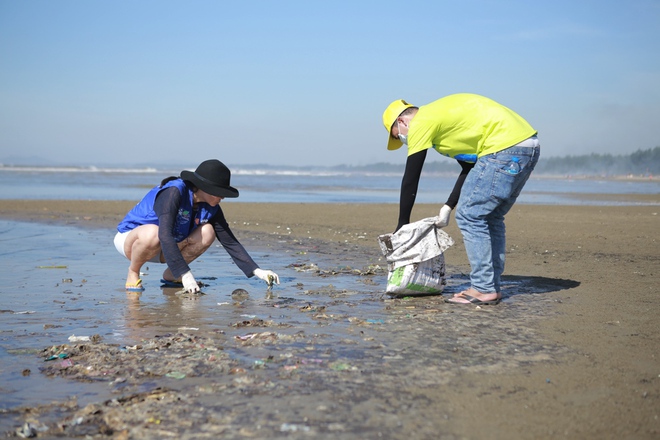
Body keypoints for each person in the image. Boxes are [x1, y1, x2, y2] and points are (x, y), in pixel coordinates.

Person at [382, 93, 540, 305]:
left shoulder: (421, 122)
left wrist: (402, 225)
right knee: (490, 216)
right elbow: (469, 168)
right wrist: (448, 205)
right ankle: (491, 286)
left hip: (503, 146)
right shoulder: (443, 123)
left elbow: (411, 178)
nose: (402, 140)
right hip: (527, 144)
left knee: (471, 216)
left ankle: (483, 288)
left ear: (401, 121)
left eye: (397, 135)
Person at [114, 159, 280, 293]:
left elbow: (230, 242)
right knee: (154, 233)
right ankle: (133, 272)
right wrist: (186, 275)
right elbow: (164, 234)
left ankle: (172, 275)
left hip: (165, 248)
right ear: (205, 188)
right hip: (133, 242)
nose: (223, 197)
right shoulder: (173, 193)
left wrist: (258, 271)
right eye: (220, 192)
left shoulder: (211, 206)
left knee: (208, 231)